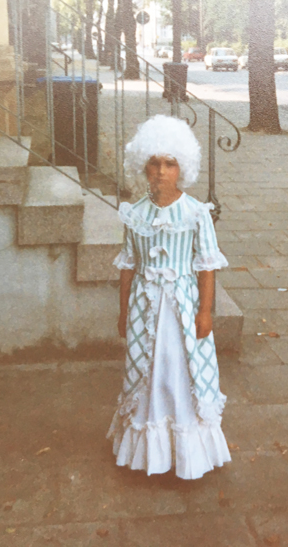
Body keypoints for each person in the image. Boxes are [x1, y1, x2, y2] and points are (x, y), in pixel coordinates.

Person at [108, 114, 230, 480]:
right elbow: (128, 264)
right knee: (147, 369)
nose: (161, 172)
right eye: (154, 163)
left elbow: (207, 267)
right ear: (142, 166)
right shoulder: (136, 215)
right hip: (146, 306)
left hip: (182, 306)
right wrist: (123, 309)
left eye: (170, 163)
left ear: (183, 167)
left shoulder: (195, 214)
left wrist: (205, 312)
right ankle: (148, 448)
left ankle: (186, 449)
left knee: (179, 369)